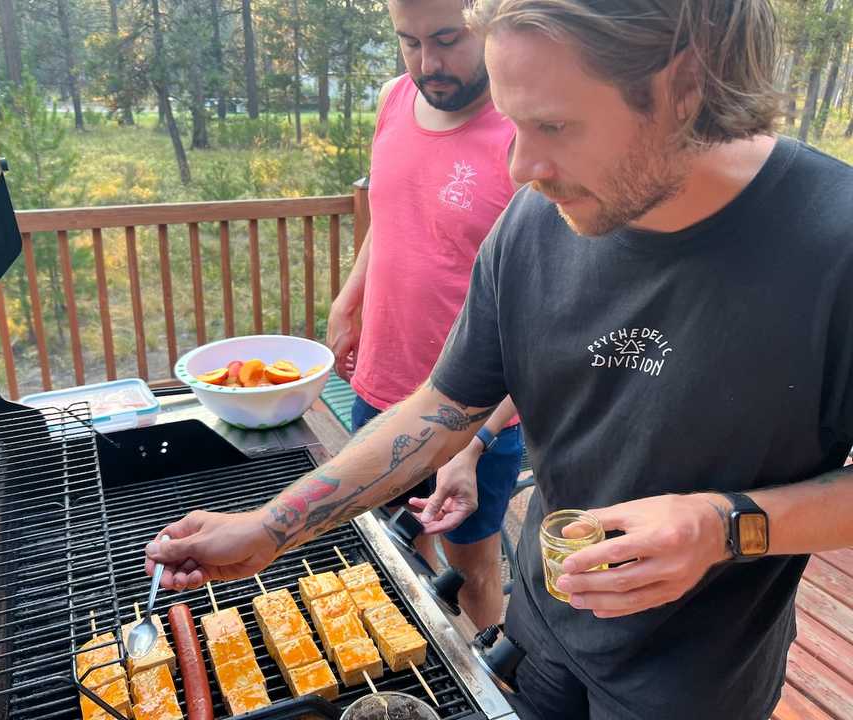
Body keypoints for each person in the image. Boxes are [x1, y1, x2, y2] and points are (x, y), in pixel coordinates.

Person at [146, 1, 853, 718]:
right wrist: (272, 527)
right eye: (514, 123)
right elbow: (443, 407)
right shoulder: (536, 221)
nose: (520, 167)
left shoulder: (835, 241)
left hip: (695, 688)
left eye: (552, 125)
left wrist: (724, 526)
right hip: (541, 635)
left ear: (685, 84)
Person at [325, 0, 522, 629]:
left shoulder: (526, 127)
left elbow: (538, 309)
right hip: (382, 383)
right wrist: (349, 299)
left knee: (472, 572)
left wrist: (479, 439)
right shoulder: (392, 100)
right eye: (409, 42)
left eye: (446, 39)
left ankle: (495, 680)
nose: (427, 63)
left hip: (471, 409)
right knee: (394, 549)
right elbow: (389, 215)